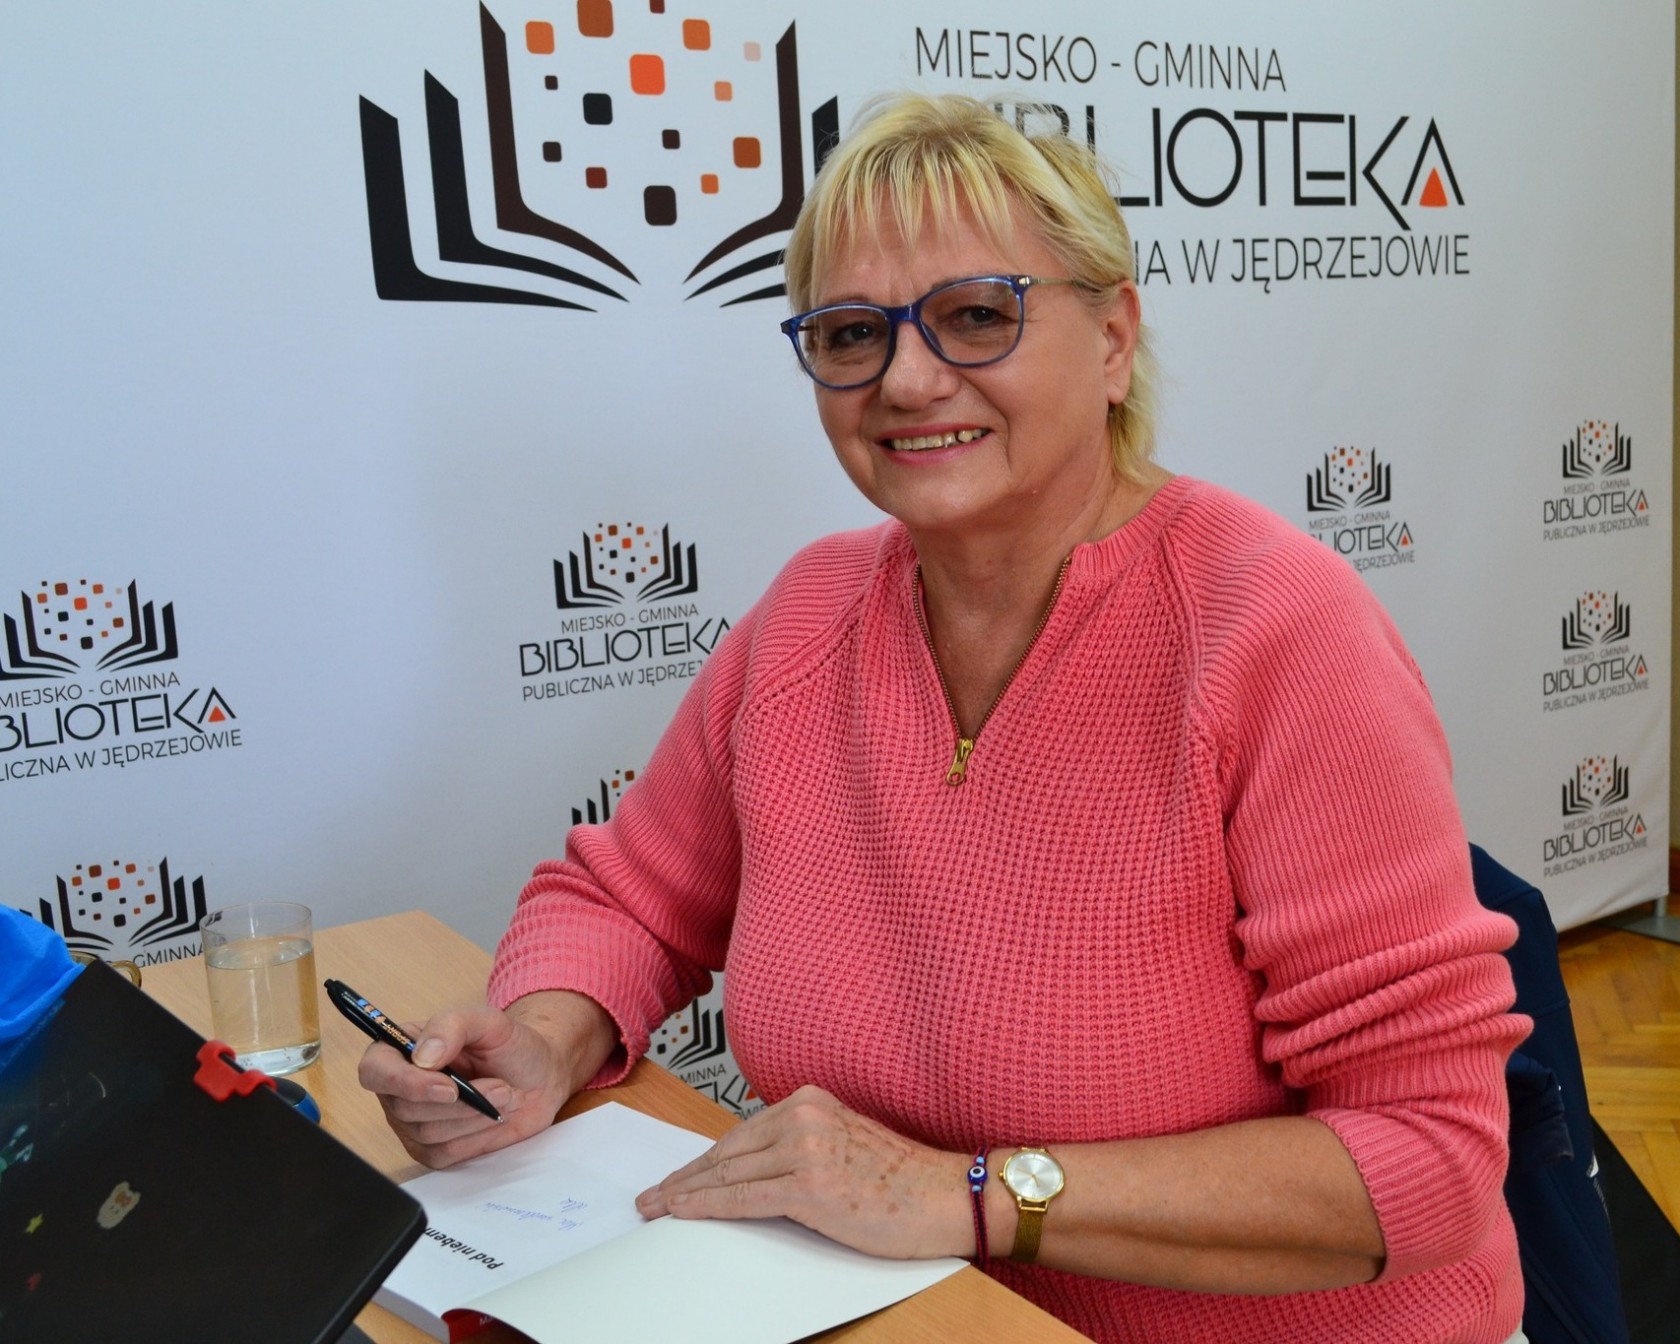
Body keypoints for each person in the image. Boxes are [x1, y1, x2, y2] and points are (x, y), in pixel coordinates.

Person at [361, 92, 1530, 1343]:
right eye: (853, 334)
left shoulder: (1276, 629)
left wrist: (968, 1194)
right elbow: (627, 900)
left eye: (978, 316)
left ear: (1114, 339)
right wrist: (544, 1039)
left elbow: (1428, 1157)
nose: (908, 380)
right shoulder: (808, 617)